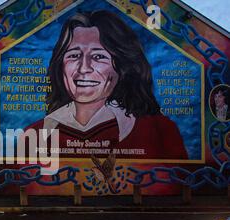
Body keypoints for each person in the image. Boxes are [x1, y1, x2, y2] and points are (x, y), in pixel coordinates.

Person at [26, 11, 188, 160]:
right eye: (74, 55)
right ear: (60, 64)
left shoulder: (159, 131)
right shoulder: (35, 135)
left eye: (98, 56)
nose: (83, 68)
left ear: (123, 66)